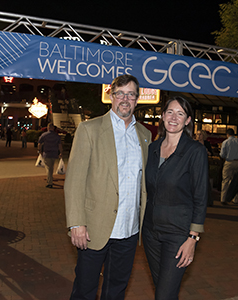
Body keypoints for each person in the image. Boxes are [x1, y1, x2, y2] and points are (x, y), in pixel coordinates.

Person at [64, 74, 151, 300]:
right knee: (85, 289)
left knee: (117, 290)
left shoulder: (145, 135)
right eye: (120, 93)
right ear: (111, 96)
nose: (125, 99)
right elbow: (75, 180)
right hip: (94, 228)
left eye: (130, 94)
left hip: (129, 229)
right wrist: (76, 223)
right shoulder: (89, 129)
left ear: (137, 99)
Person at [142, 96, 208, 300]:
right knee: (163, 290)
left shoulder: (195, 151)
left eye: (180, 114)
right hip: (151, 233)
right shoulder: (152, 148)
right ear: (162, 116)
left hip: (178, 234)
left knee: (164, 294)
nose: (173, 117)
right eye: (170, 112)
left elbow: (201, 197)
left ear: (187, 120)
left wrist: (193, 238)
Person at [219, 128, 238, 204]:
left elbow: (222, 154)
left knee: (225, 180)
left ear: (227, 134)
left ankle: (223, 198)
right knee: (235, 181)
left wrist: (223, 155)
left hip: (229, 162)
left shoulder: (225, 142)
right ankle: (234, 199)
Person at [38, 123, 63, 188]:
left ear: (48, 127)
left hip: (47, 153)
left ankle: (50, 182)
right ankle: (49, 179)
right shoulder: (56, 136)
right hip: (54, 153)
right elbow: (59, 145)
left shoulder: (44, 135)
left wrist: (39, 150)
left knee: (48, 168)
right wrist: (61, 152)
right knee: (51, 167)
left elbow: (39, 143)